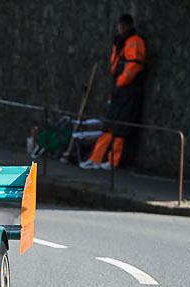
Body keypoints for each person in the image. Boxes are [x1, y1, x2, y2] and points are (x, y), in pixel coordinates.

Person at [80, 14, 146, 170]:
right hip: (119, 88)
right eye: (120, 25)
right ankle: (96, 159)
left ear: (130, 26)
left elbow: (134, 66)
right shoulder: (120, 42)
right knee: (108, 125)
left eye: (124, 25)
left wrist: (121, 82)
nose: (121, 28)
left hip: (128, 89)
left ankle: (112, 162)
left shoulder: (134, 42)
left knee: (120, 128)